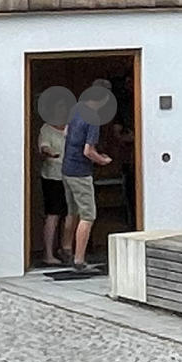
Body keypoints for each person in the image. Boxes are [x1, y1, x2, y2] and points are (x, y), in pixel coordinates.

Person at [61, 81, 114, 274]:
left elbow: (66, 132)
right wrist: (103, 160)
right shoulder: (93, 118)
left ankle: (66, 249)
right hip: (81, 173)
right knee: (88, 215)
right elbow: (88, 151)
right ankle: (79, 260)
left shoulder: (76, 109)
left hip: (67, 168)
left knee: (72, 211)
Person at [36, 111, 68, 267]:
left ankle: (66, 249)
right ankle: (48, 254)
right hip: (52, 176)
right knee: (53, 215)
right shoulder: (46, 129)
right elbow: (44, 147)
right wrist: (50, 152)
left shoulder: (71, 127)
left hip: (71, 176)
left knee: (70, 214)